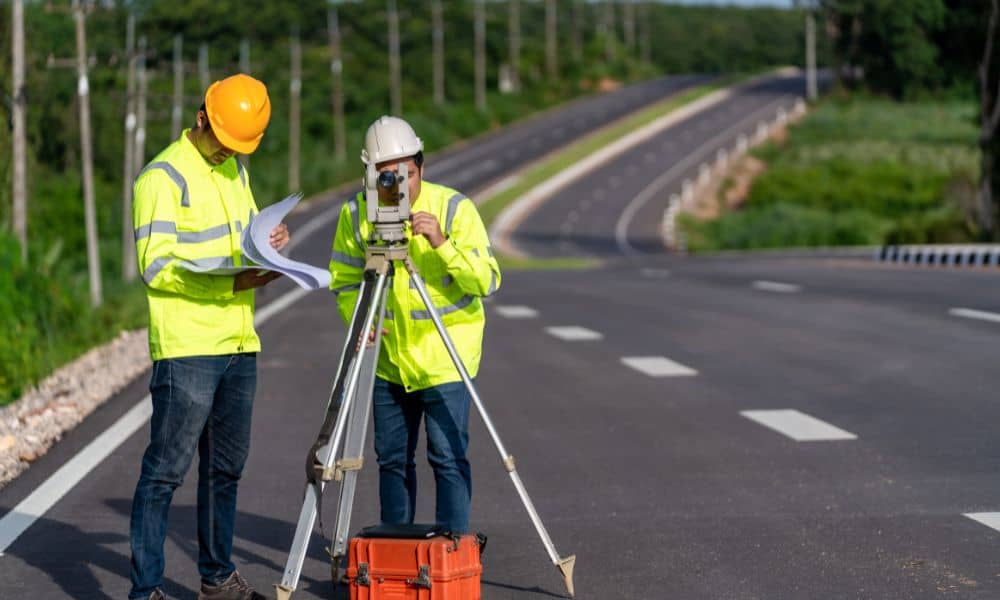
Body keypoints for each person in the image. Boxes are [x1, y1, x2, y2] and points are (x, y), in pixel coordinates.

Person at [129, 73, 287, 600]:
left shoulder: (235, 173)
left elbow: (240, 239)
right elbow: (157, 267)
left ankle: (217, 579)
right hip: (189, 347)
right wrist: (231, 280)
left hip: (239, 342)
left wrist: (268, 244)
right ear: (202, 119)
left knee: (226, 470)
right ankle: (146, 589)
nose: (228, 154)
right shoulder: (162, 178)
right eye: (224, 143)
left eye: (239, 148)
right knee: (165, 473)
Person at [328, 116, 501, 534]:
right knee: (391, 460)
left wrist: (442, 244)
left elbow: (487, 280)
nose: (399, 184)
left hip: (445, 360)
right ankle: (396, 554)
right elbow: (344, 280)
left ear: (422, 166)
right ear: (370, 175)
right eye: (387, 176)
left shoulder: (454, 208)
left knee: (447, 457)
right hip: (388, 362)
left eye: (407, 173)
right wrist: (359, 320)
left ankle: (451, 551)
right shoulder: (357, 214)